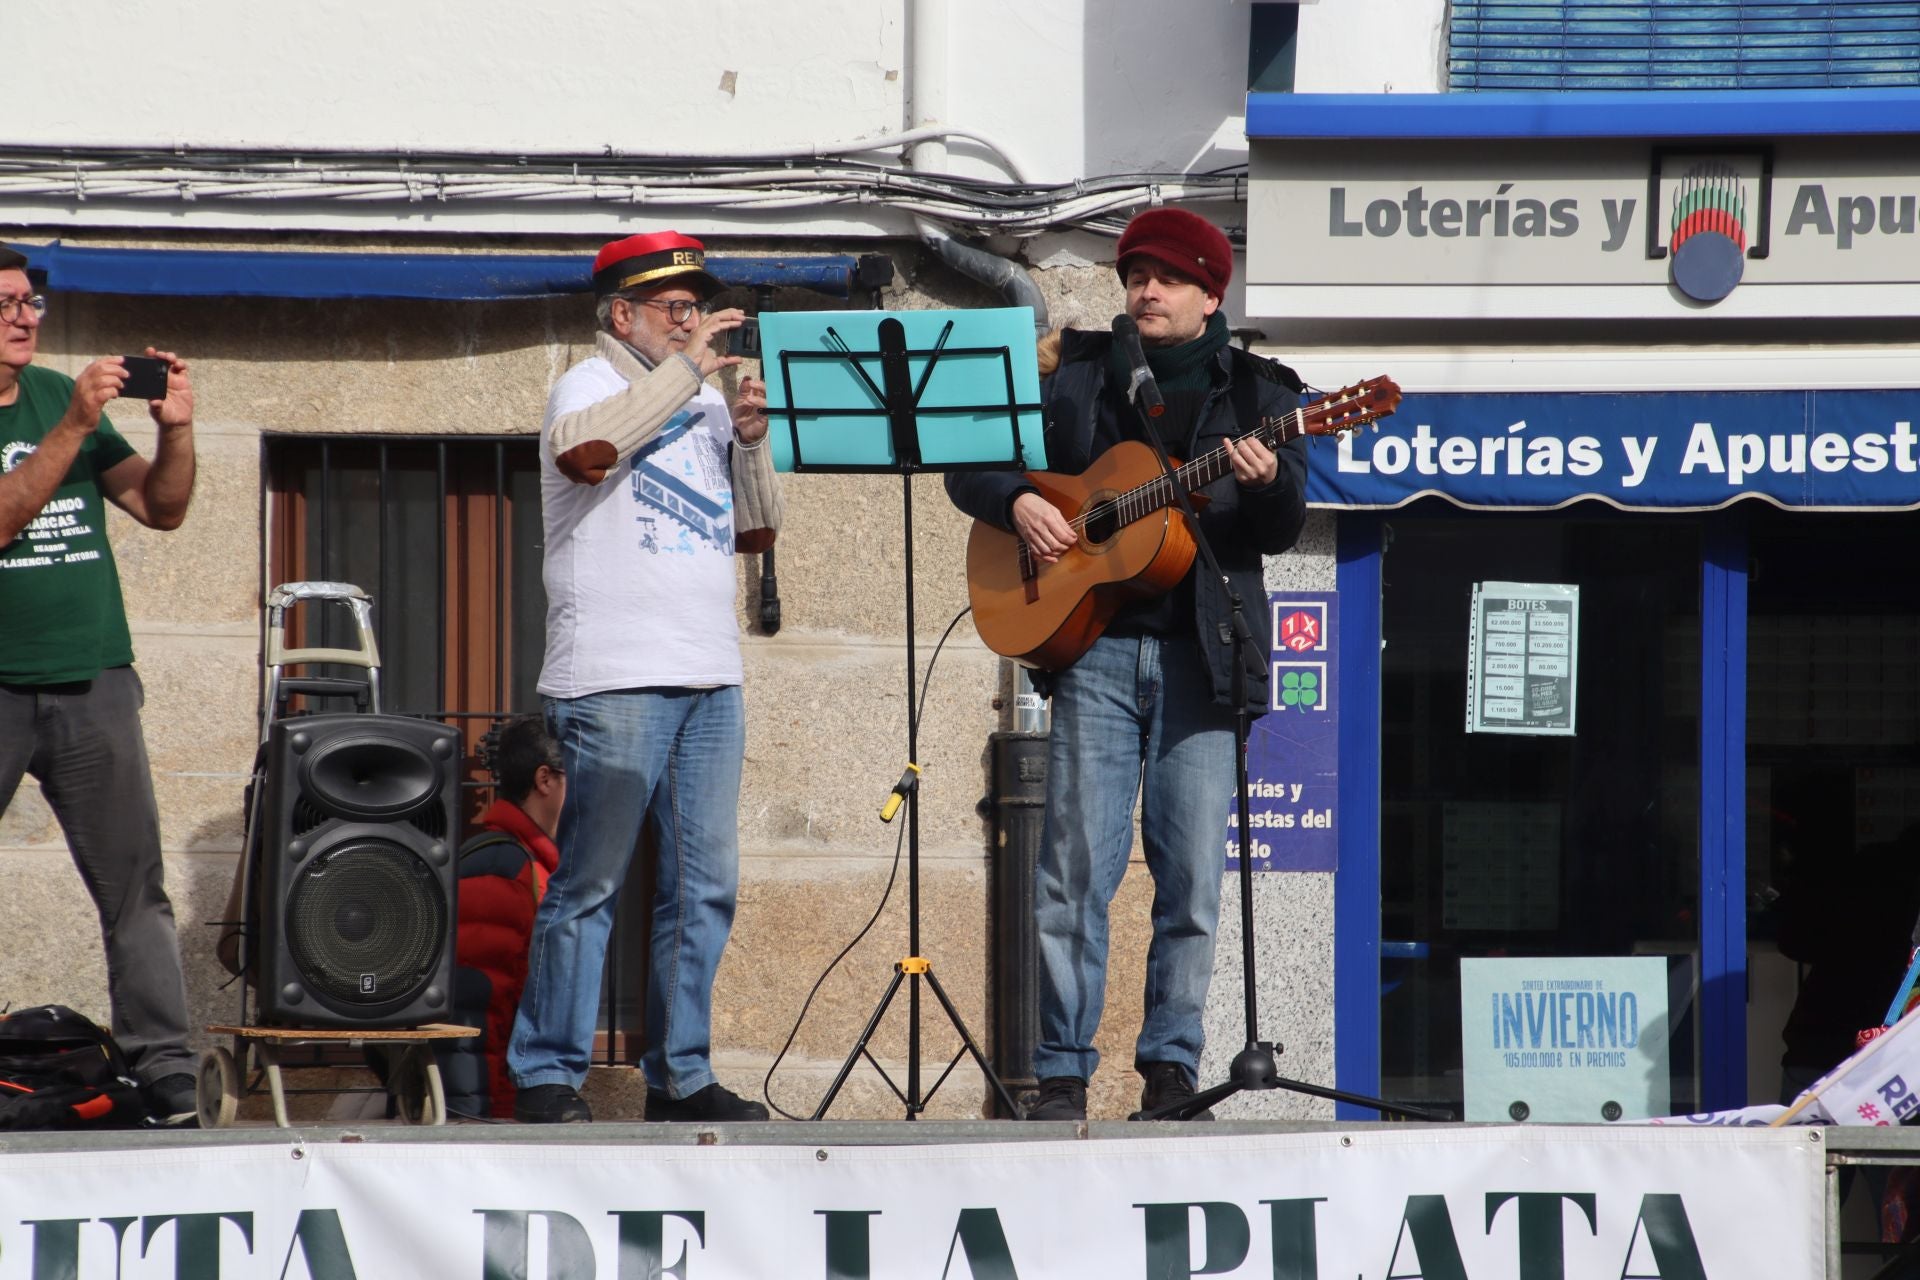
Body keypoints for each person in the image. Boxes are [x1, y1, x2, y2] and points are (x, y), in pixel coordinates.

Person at [945, 208, 1308, 1121]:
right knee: (1071, 871)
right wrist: (1020, 497)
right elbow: (968, 460)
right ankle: (1061, 1069)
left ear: (1211, 295)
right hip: (1096, 650)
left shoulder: (1264, 392)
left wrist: (1268, 482)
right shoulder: (1074, 374)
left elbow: (1278, 530)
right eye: (1137, 274)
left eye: (1170, 278)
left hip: (1203, 658)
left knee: (1188, 880)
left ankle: (1170, 1068)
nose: (1147, 289)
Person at [507, 231, 782, 1124]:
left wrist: (747, 443)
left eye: (697, 308)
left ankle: (683, 1075)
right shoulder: (588, 386)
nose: (691, 323)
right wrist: (686, 376)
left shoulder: (697, 402)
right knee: (590, 882)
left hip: (709, 675)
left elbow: (756, 534)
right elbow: (586, 454)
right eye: (674, 309)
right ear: (621, 315)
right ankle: (548, 1071)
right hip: (615, 678)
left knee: (702, 885)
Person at [0, 246, 203, 1124]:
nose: (23, 318)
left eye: (31, 302)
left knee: (136, 892)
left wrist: (179, 430)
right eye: (5, 302)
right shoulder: (63, 413)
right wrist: (76, 426)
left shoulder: (55, 394)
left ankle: (169, 1075)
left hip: (95, 685)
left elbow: (161, 508)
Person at [438, 714, 566, 1120]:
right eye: (583, 772)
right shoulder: (503, 867)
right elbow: (472, 1011)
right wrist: (481, 1114)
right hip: (489, 1112)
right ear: (545, 780)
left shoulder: (533, 864)